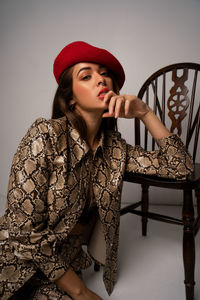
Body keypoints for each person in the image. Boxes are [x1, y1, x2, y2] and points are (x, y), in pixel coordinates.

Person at [0, 41, 194, 300]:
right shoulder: (45, 135)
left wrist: (145, 113)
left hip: (59, 268)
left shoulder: (115, 150)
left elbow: (180, 167)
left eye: (104, 73)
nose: (101, 80)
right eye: (86, 75)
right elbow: (23, 235)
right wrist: (81, 293)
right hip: (13, 261)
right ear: (70, 97)